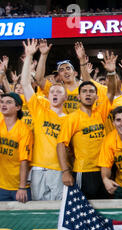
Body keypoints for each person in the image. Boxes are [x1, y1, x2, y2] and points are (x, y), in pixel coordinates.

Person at [20, 38, 67, 201]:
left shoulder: (69, 119)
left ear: (65, 98)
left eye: (59, 92)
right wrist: (28, 56)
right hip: (38, 169)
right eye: (52, 91)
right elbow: (25, 84)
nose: (55, 93)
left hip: (59, 170)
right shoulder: (40, 108)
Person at [56, 79, 112, 199]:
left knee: (104, 206)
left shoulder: (100, 113)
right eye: (84, 91)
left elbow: (111, 93)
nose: (88, 94)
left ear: (96, 97)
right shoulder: (72, 118)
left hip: (104, 170)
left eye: (91, 91)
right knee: (85, 208)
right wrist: (65, 171)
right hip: (84, 171)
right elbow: (61, 144)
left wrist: (111, 73)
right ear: (78, 96)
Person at [0, 92, 33, 203]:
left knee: (23, 220)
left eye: (9, 102)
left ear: (18, 107)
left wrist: (22, 187)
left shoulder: (24, 130)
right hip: (1, 185)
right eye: (2, 102)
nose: (4, 105)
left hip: (18, 187)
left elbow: (24, 160)